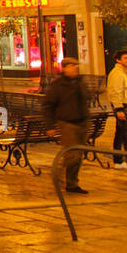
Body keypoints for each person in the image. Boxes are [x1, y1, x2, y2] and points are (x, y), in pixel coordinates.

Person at [43, 57, 90, 193]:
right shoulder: (58, 85)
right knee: (73, 154)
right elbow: (48, 105)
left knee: (78, 155)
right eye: (71, 66)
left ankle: (71, 183)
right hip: (67, 123)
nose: (75, 68)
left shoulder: (80, 82)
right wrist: (50, 126)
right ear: (64, 68)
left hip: (82, 121)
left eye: (76, 66)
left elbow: (88, 97)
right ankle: (60, 175)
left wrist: (80, 85)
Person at [107, 50, 127, 168]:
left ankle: (118, 159)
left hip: (124, 106)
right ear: (118, 60)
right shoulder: (117, 74)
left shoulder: (123, 73)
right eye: (125, 58)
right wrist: (118, 109)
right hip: (122, 107)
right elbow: (115, 92)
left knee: (120, 133)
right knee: (126, 134)